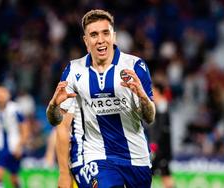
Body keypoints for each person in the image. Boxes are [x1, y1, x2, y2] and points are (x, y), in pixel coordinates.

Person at [46, 9, 155, 187]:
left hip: (137, 159)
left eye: (105, 33)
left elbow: (149, 117)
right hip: (94, 156)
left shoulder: (135, 66)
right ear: (86, 41)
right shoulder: (74, 71)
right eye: (94, 35)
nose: (101, 40)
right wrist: (64, 173)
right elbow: (59, 122)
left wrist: (143, 97)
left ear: (114, 36)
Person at [149, 81, 174, 188]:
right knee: (164, 172)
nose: (151, 92)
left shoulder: (162, 105)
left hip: (161, 147)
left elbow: (162, 128)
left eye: (153, 90)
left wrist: (155, 142)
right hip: (158, 146)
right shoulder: (156, 106)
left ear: (158, 91)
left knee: (152, 172)